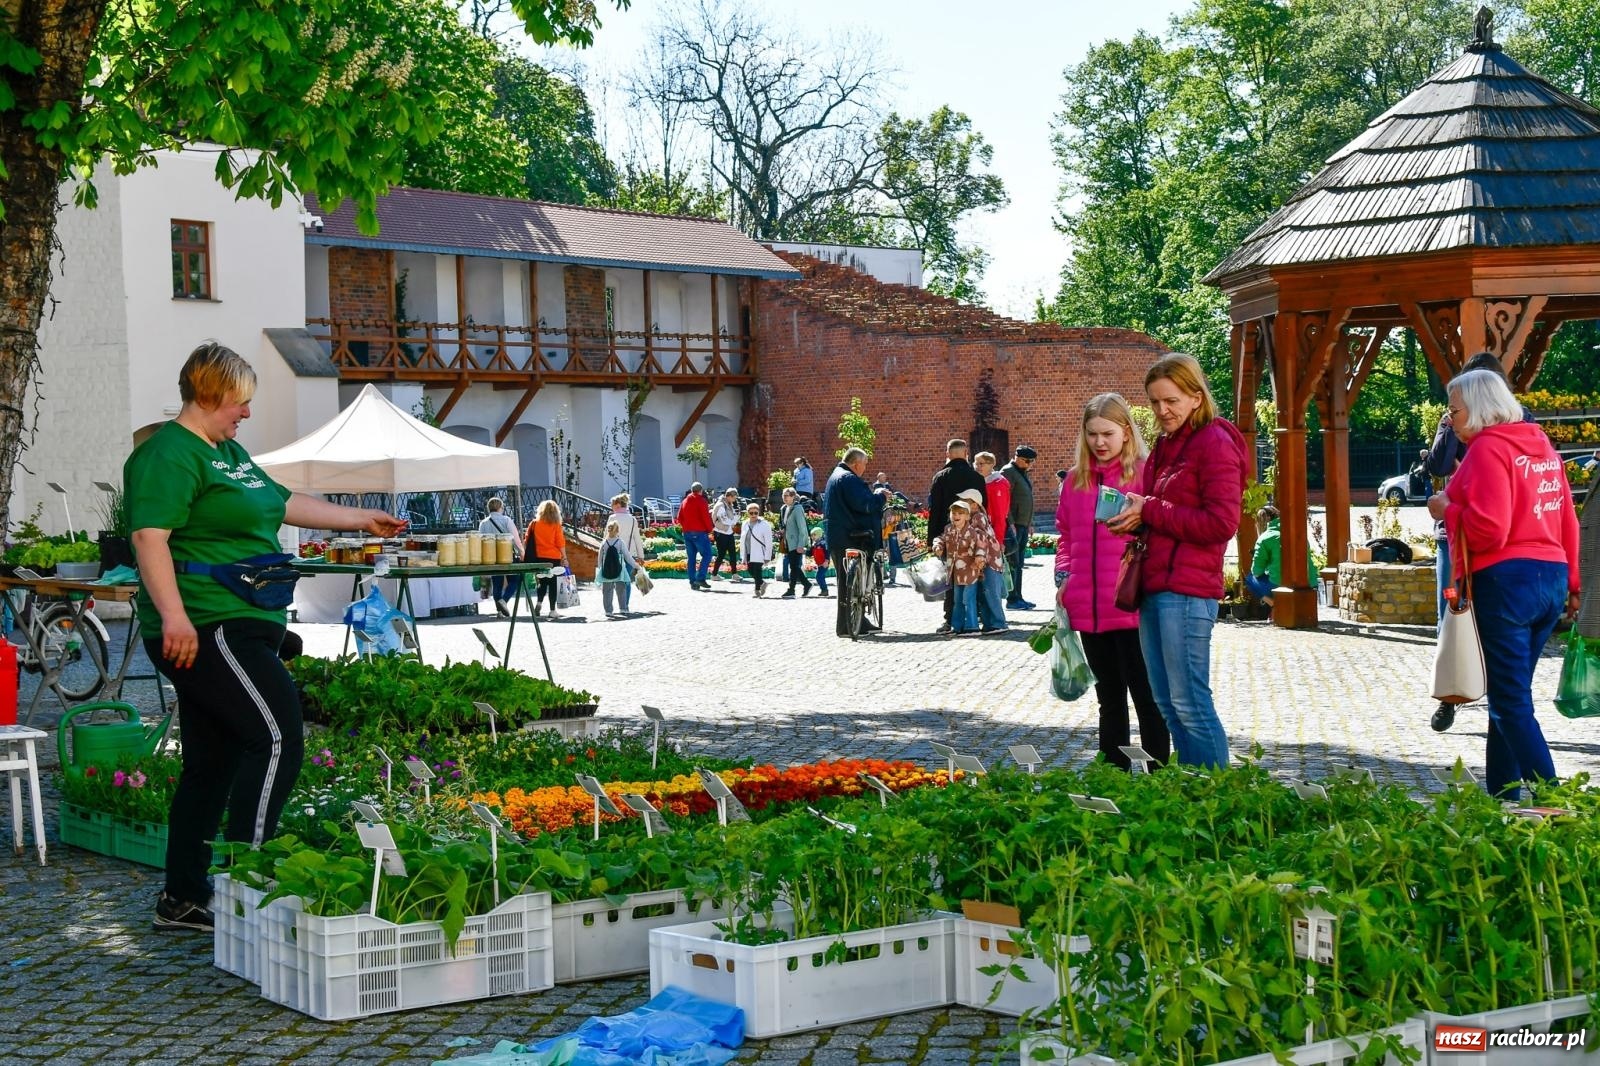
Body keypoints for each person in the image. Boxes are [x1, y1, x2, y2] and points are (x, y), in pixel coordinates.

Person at [125, 341, 404, 931]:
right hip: (210, 624)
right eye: (239, 401)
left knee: (213, 763)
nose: (246, 413)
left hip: (244, 618)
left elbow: (282, 502)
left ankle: (183, 897)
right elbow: (150, 538)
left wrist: (360, 518)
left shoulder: (226, 453)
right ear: (209, 393)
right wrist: (174, 616)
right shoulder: (168, 454)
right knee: (278, 738)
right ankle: (247, 885)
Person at [1428, 370, 1581, 800]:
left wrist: (1445, 509)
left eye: (1454, 410)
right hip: (1549, 580)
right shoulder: (1540, 446)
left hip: (1505, 583)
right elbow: (1566, 517)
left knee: (1510, 704)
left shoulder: (1487, 449)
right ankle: (1503, 800)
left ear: (1478, 408)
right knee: (1507, 697)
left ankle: (1555, 802)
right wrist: (1573, 583)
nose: (1451, 420)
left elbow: (1489, 529)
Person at [1107, 353, 1246, 769]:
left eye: (1171, 400)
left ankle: (1215, 794)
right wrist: (1134, 517)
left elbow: (1221, 523)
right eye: (1155, 402)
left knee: (1190, 703)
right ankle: (1191, 790)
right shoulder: (1168, 444)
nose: (1162, 410)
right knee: (1167, 703)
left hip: (1187, 591)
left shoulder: (1215, 441)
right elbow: (1164, 510)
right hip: (1156, 584)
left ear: (1196, 397)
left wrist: (1149, 509)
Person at [1424, 351, 1538, 732]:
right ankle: (1451, 694)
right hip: (1452, 536)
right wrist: (1448, 426)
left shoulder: (1520, 424)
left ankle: (1506, 702)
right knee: (1451, 609)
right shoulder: (1454, 420)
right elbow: (1438, 466)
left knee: (1497, 623)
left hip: (1491, 538)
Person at [1058, 392, 1169, 771]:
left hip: (1132, 603)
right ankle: (1113, 775)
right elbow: (1065, 535)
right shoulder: (1074, 481)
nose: (1100, 442)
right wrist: (1064, 575)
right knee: (1109, 699)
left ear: (1126, 431)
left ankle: (1158, 776)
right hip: (1089, 607)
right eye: (1092, 434)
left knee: (1147, 697)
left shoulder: (1146, 474)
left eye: (1107, 433)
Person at [824, 447, 887, 637]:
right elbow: (864, 504)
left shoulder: (836, 475)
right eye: (864, 464)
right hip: (851, 535)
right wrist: (881, 497)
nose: (865, 468)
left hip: (837, 535)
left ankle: (857, 622)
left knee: (845, 582)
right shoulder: (849, 478)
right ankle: (846, 626)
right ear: (855, 463)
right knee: (847, 583)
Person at [927, 439, 985, 634]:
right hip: (973, 535)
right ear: (966, 454)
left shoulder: (940, 477)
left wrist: (932, 540)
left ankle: (951, 619)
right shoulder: (977, 477)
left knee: (950, 579)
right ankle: (974, 617)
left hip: (949, 537)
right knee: (975, 576)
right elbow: (984, 507)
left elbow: (934, 511)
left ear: (948, 454)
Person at [932, 501, 994, 635]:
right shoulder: (949, 529)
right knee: (957, 600)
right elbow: (941, 539)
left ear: (967, 516)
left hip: (970, 571)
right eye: (954, 513)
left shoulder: (972, 532)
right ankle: (957, 626)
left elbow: (981, 545)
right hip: (955, 572)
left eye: (960, 513)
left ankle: (972, 626)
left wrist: (979, 557)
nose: (956, 516)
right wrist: (937, 545)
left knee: (968, 598)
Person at [956, 487, 1008, 634]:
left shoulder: (978, 517)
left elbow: (980, 537)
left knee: (991, 592)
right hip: (985, 560)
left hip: (989, 560)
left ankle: (999, 623)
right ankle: (989, 624)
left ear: (974, 505)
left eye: (964, 501)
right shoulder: (972, 517)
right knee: (984, 592)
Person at [1243, 505, 1317, 606]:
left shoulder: (1265, 538)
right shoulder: (1297, 532)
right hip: (1310, 582)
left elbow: (1256, 572)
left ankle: (1276, 605)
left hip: (1282, 584)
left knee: (1250, 579)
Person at [1000, 446, 1038, 610]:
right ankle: (1012, 599)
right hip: (1014, 526)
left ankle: (1019, 597)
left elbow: (1027, 499)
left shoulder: (1021, 472)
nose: (1030, 465)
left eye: (1032, 462)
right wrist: (1010, 523)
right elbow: (1005, 500)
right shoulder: (1008, 472)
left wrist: (1030, 523)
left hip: (1023, 524)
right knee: (1013, 563)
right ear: (1017, 458)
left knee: (1019, 563)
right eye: (1027, 461)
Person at [478, 497, 523, 617]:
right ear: (500, 508)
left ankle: (499, 611)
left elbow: (480, 540)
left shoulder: (483, 523)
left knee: (497, 582)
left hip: (491, 556)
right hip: (507, 554)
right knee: (514, 580)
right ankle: (504, 600)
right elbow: (515, 539)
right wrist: (521, 551)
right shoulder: (506, 520)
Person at [597, 517, 643, 617]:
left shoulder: (604, 543)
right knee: (621, 589)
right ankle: (623, 608)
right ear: (617, 530)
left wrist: (600, 569)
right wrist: (636, 566)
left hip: (607, 570)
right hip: (619, 570)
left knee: (607, 591)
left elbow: (599, 558)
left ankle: (608, 611)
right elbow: (628, 557)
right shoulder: (620, 542)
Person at [676, 482, 714, 590]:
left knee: (691, 558)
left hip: (687, 532)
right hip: (699, 532)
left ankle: (693, 582)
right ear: (701, 490)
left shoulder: (685, 501)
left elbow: (679, 517)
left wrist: (686, 527)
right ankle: (700, 578)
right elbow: (705, 517)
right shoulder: (701, 501)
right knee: (707, 555)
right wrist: (710, 529)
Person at [779, 487, 813, 597]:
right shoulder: (785, 508)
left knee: (794, 567)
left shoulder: (797, 508)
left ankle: (792, 589)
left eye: (787, 495)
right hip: (788, 542)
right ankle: (805, 585)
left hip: (796, 542)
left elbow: (802, 528)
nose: (784, 498)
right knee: (794, 567)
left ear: (793, 496)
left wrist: (801, 545)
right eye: (783, 495)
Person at [739, 502, 775, 596]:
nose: (753, 515)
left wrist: (767, 556)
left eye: (756, 513)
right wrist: (742, 554)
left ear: (759, 512)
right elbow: (743, 539)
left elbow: (768, 541)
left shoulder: (764, 524)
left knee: (757, 570)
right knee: (750, 570)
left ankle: (757, 590)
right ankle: (762, 583)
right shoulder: (745, 523)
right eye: (751, 513)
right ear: (748, 513)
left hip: (760, 552)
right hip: (748, 551)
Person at [710, 487, 742, 582]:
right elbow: (724, 520)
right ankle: (714, 574)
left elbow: (733, 517)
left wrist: (736, 517)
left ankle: (734, 574)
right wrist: (734, 521)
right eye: (734, 497)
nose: (735, 499)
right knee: (721, 554)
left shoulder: (729, 504)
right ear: (729, 496)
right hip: (721, 533)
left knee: (732, 554)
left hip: (729, 532)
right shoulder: (720, 505)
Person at [809, 527, 831, 598]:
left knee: (819, 576)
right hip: (819, 564)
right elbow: (810, 553)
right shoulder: (814, 544)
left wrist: (826, 561)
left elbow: (827, 552)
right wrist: (805, 551)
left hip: (824, 563)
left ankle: (824, 590)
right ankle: (824, 590)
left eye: (814, 535)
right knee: (821, 577)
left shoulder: (823, 543)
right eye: (811, 535)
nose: (812, 537)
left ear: (819, 535)